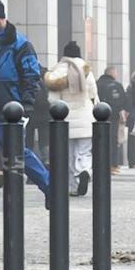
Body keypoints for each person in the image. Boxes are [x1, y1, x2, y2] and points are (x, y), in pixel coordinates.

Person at [0, 0, 51, 211]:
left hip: (9, 111)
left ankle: (51, 187)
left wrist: (26, 106)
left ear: (2, 18)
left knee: (18, 153)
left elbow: (32, 77)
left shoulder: (20, 45)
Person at [42, 41, 96, 193]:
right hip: (86, 117)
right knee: (84, 151)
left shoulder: (57, 71)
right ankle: (84, 170)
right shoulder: (86, 69)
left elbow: (53, 100)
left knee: (69, 155)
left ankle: (73, 186)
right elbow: (93, 93)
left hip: (66, 120)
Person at [96, 66, 129, 169]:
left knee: (99, 139)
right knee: (113, 139)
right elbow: (123, 101)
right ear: (112, 73)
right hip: (113, 116)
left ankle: (100, 163)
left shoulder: (97, 84)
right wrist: (122, 112)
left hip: (97, 116)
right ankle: (113, 164)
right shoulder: (116, 85)